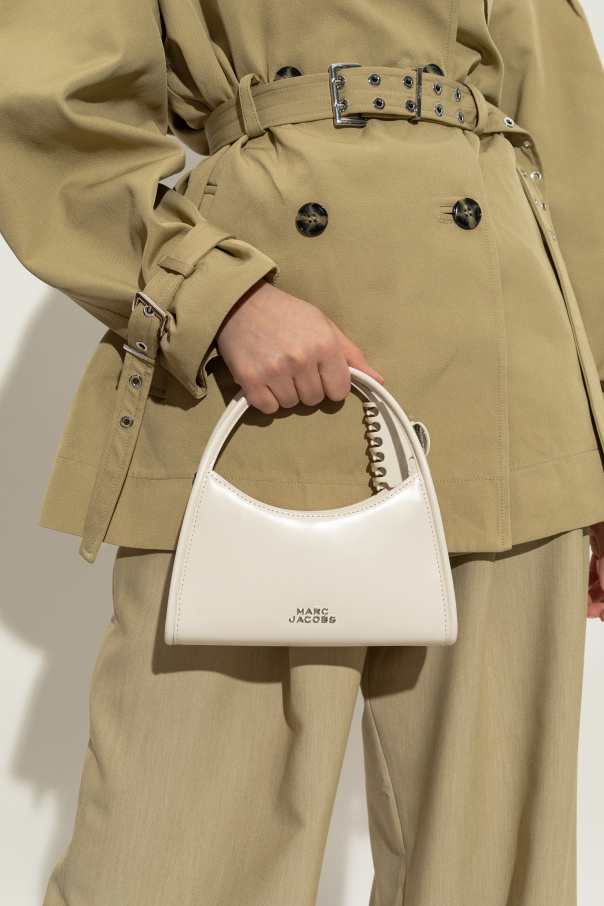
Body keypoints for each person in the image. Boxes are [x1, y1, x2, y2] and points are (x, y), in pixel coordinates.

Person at [1, 0, 604, 903]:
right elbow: (42, 105)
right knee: (171, 863)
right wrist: (218, 298)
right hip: (263, 370)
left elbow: (577, 146)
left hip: (513, 383)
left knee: (488, 871)